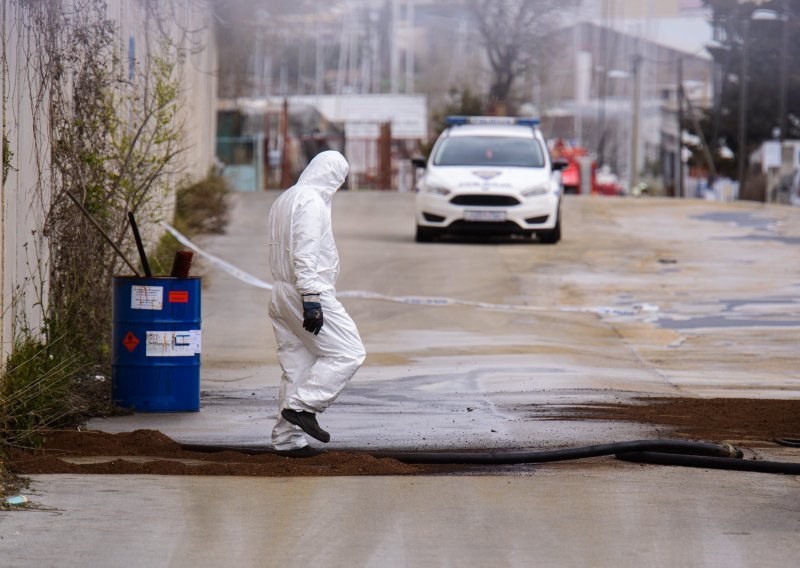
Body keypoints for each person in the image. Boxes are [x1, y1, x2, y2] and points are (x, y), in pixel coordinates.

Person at [266, 150, 366, 452]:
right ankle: (302, 407)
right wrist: (311, 297)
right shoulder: (310, 201)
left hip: (281, 292)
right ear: (332, 177)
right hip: (306, 291)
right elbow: (305, 251)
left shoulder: (285, 198)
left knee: (296, 365)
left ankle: (286, 439)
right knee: (349, 352)